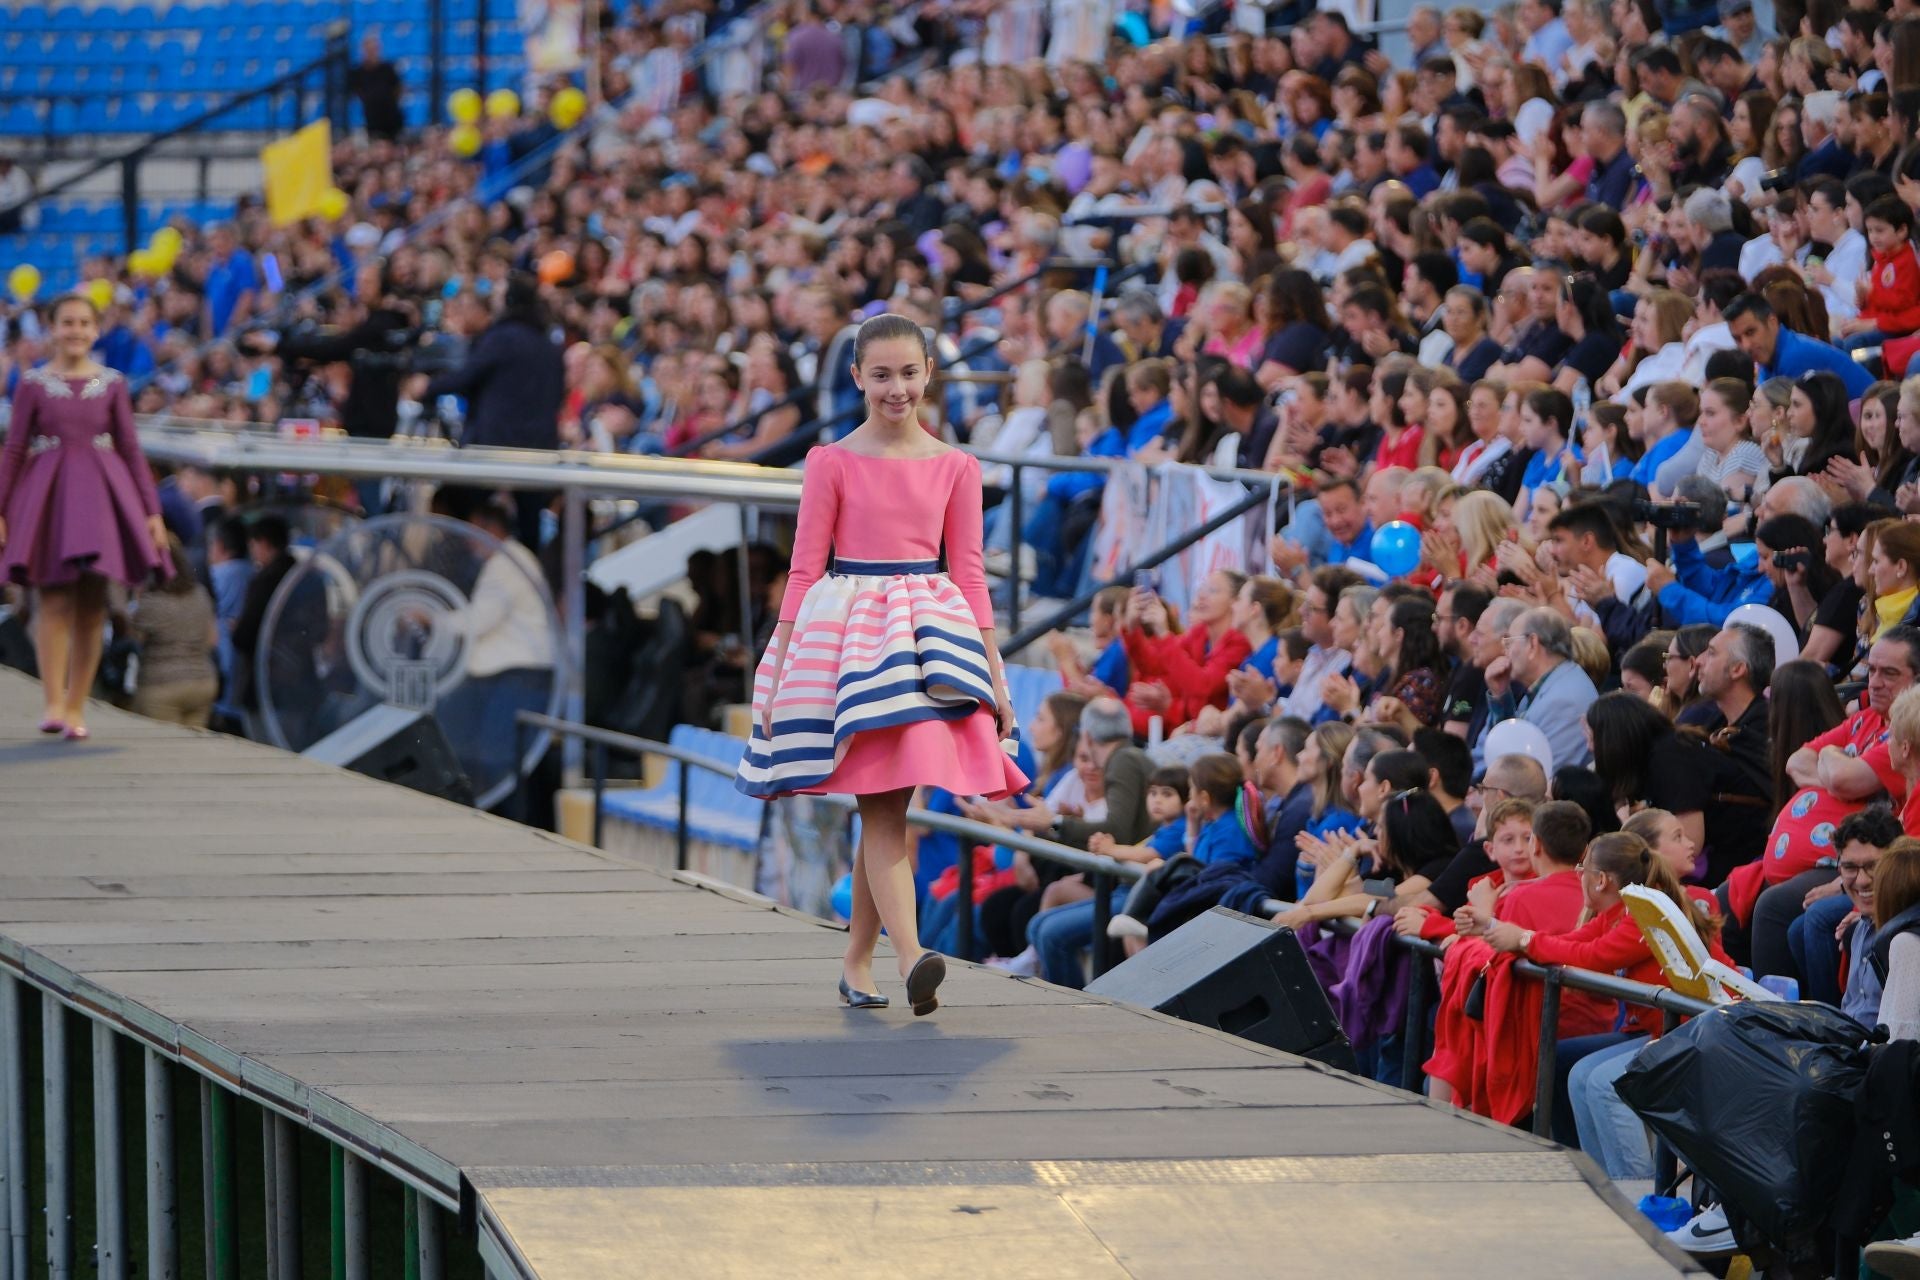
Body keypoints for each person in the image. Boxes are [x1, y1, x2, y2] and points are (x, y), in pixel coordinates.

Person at [737, 314, 1028, 1017]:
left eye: (907, 373)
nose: (896, 388)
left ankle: (858, 958)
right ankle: (909, 956)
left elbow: (970, 570)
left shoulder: (958, 465)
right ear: (857, 377)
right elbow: (806, 568)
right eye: (881, 375)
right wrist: (778, 659)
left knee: (890, 807)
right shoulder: (830, 462)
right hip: (854, 643)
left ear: (929, 373)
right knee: (885, 805)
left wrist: (993, 669)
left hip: (930, 642)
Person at [0, 292, 169, 739]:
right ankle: (53, 702)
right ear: (52, 328)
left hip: (100, 496)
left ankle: (77, 706)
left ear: (95, 330)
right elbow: (15, 448)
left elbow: (131, 449)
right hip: (52, 497)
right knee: (53, 600)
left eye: (83, 323)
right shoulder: (33, 384)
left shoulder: (113, 383)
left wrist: (151, 512)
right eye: (66, 322)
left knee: (93, 605)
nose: (75, 331)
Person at [423, 271, 566, 549]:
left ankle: (453, 567)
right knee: (530, 528)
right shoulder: (549, 344)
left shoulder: (502, 337)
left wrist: (426, 387)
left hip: (495, 449)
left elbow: (467, 377)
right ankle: (533, 583)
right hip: (538, 450)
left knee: (452, 503)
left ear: (510, 300)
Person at [1481, 607, 1599, 770]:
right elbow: (1511, 750)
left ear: (1532, 644)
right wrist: (1501, 696)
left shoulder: (1563, 701)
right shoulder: (1552, 683)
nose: (1504, 651)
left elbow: (1536, 780)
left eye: (1509, 642)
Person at [127, 535, 217, 728]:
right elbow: (212, 639)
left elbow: (133, 637)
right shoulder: (200, 594)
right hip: (203, 683)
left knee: (164, 751)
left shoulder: (152, 603)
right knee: (193, 749)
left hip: (161, 687)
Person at [345, 34, 405, 142]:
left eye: (374, 48)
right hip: (371, 119)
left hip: (391, 118)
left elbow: (398, 88)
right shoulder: (357, 72)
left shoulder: (388, 68)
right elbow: (355, 92)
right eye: (368, 49)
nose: (371, 52)